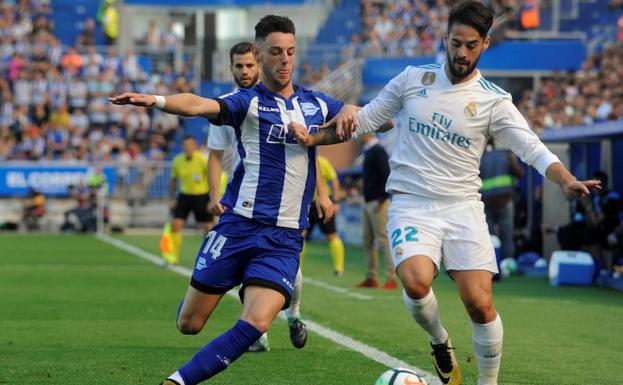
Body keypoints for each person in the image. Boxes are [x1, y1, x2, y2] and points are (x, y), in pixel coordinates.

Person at [289, 2, 600, 385]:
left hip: (463, 207)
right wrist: (313, 136)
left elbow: (532, 148)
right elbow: (364, 121)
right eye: (456, 43)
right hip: (411, 203)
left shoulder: (494, 101)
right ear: (445, 39)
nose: (462, 53)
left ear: (485, 44)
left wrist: (565, 178)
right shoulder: (411, 79)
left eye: (471, 45)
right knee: (417, 282)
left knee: (480, 304)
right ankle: (440, 341)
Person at [110, 14, 339, 385]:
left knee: (256, 322)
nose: (284, 60)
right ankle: (230, 279)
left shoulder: (315, 104)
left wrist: (376, 114)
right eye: (276, 52)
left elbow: (355, 118)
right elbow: (199, 106)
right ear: (261, 54)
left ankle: (177, 381)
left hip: (282, 237)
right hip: (237, 225)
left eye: (291, 52)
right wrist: (155, 100)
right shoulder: (244, 102)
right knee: (190, 323)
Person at [206, 41, 307, 353]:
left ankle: (295, 314)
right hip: (244, 199)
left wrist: (324, 194)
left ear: (260, 65)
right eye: (239, 66)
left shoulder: (288, 102)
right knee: (243, 266)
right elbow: (214, 154)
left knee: (289, 267)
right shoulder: (227, 105)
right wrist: (214, 193)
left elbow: (307, 152)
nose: (245, 71)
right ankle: (257, 332)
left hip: (283, 199)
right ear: (231, 68)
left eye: (250, 65)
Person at [355, 133, 396, 289]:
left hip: (378, 202)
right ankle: (371, 277)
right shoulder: (369, 150)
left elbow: (387, 175)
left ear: (368, 133)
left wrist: (383, 198)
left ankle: (391, 278)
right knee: (368, 240)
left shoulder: (378, 150)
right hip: (369, 201)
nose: (357, 135)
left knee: (383, 240)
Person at [167, 135, 214, 265]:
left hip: (202, 196)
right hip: (185, 196)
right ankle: (173, 258)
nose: (188, 148)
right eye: (185, 145)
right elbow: (173, 181)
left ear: (195, 146)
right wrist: (170, 199)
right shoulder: (177, 161)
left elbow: (212, 177)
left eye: (190, 145)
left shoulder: (202, 160)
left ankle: (209, 258)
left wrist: (212, 198)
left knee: (208, 228)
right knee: (176, 225)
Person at [479, 138, 525, 261]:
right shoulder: (507, 155)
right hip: (505, 200)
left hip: (485, 201)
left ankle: (489, 262)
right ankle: (508, 263)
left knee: (488, 236)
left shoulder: (478, 157)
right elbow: (521, 174)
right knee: (507, 235)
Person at [302, 155, 346, 277]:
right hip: (305, 203)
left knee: (331, 235)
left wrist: (336, 201)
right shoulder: (300, 159)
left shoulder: (322, 161)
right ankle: (297, 268)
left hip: (323, 204)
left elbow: (334, 179)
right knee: (300, 235)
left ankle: (339, 268)